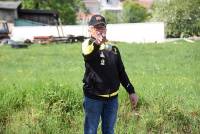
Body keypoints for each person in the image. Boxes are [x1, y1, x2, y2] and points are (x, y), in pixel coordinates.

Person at [82, 14, 138, 134]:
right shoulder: (88, 44)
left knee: (109, 131)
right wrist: (97, 43)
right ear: (90, 29)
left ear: (106, 29)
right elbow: (88, 55)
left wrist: (131, 91)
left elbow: (121, 72)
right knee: (91, 131)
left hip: (112, 100)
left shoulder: (113, 49)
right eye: (97, 28)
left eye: (102, 27)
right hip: (93, 98)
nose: (100, 31)